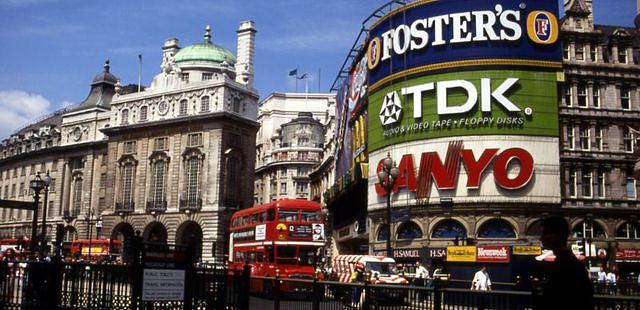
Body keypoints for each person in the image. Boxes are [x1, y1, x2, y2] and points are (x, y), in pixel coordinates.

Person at [537, 216, 593, 310]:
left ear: (559, 235)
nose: (541, 238)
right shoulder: (566, 261)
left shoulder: (566, 265)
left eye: (545, 233)